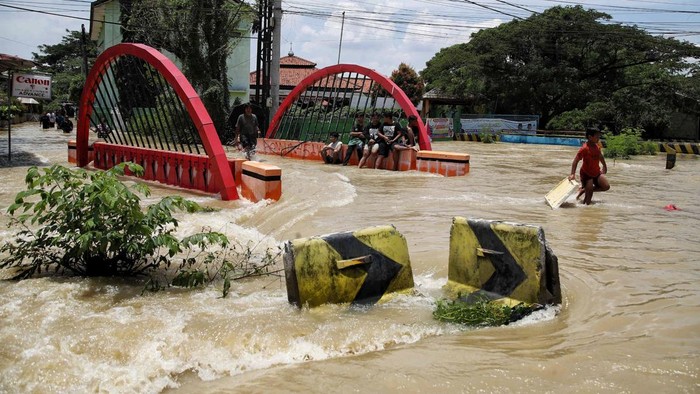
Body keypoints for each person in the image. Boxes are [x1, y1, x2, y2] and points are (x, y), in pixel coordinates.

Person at [568, 127, 610, 205]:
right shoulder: (584, 148)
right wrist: (572, 174)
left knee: (606, 186)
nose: (598, 138)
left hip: (596, 172)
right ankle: (585, 214)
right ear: (590, 137)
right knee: (588, 200)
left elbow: (600, 156)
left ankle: (583, 190)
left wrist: (604, 166)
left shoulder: (597, 146)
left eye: (599, 136)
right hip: (586, 174)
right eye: (597, 137)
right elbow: (575, 161)